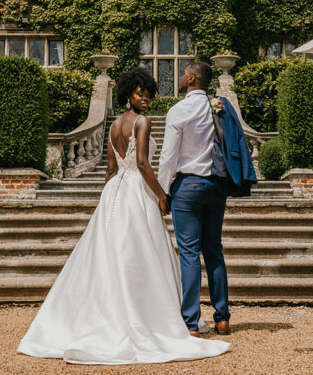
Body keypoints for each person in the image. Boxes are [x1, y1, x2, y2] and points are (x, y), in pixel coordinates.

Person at [17, 67, 229, 365]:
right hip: (136, 191)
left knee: (112, 254)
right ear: (128, 93)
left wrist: (106, 199)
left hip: (114, 191)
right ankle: (146, 316)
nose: (145, 100)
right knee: (140, 254)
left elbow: (111, 170)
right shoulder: (142, 122)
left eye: (148, 95)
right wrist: (161, 194)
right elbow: (142, 164)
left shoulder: (115, 125)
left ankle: (109, 311)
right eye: (141, 94)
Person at [157, 61, 231, 337]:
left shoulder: (179, 110)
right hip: (216, 186)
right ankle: (222, 318)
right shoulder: (218, 108)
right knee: (214, 250)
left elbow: (168, 157)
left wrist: (162, 191)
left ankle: (191, 322)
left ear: (190, 79)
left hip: (188, 186)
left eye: (181, 73)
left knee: (189, 254)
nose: (178, 77)